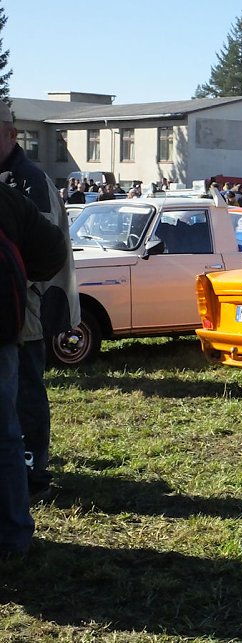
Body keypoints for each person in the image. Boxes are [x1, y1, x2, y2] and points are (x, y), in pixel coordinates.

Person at [0, 101, 79, 501]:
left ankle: (33, 468)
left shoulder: (27, 179)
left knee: (26, 390)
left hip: (28, 303)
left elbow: (45, 251)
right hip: (13, 303)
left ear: (11, 135)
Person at [0, 180, 67, 559]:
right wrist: (24, 279)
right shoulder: (5, 195)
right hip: (3, 331)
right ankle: (12, 536)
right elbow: (52, 247)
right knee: (5, 438)